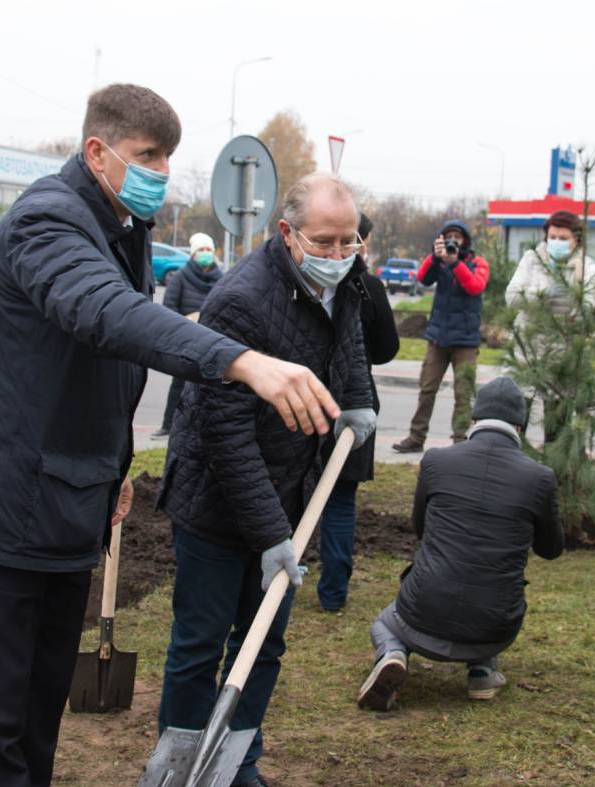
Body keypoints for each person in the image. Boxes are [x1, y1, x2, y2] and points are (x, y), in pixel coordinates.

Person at [0, 84, 340, 787]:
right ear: (97, 151)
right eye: (147, 154)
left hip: (71, 497)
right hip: (10, 504)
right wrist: (240, 360)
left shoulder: (123, 227)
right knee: (2, 712)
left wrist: (112, 465)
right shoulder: (48, 221)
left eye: (167, 156)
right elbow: (106, 314)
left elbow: (99, 367)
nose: (160, 169)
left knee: (41, 704)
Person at [158, 173, 375, 787]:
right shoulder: (239, 301)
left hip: (290, 493)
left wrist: (356, 401)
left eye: (348, 242)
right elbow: (224, 435)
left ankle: (237, 761)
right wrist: (269, 534)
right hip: (216, 503)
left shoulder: (348, 277)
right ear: (287, 234)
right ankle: (182, 765)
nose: (337, 256)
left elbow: (350, 343)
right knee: (200, 647)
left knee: (266, 645)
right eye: (324, 242)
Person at [357, 377, 563, 711]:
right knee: (496, 582)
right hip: (495, 622)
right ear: (520, 427)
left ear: (474, 421)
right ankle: (482, 669)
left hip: (423, 610)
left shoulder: (437, 461)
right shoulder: (539, 477)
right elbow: (551, 550)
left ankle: (393, 653)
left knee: (384, 622)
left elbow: (420, 528)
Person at [318, 212, 400, 612]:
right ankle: (332, 592)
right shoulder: (367, 287)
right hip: (353, 402)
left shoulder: (301, 279)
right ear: (361, 241)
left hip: (311, 401)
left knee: (291, 497)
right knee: (339, 501)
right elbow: (386, 350)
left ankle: (278, 583)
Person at [392, 219, 489, 452]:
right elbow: (423, 278)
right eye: (448, 236)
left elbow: (475, 286)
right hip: (438, 338)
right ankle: (416, 438)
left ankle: (459, 442)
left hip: (465, 340)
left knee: (462, 394)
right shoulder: (439, 261)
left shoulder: (477, 262)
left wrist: (455, 263)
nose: (453, 240)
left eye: (457, 236)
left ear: (465, 240)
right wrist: (435, 258)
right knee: (427, 390)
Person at [505, 210, 595, 444]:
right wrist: (541, 295)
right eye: (552, 237)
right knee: (516, 418)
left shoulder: (585, 264)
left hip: (563, 353)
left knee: (557, 426)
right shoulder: (532, 259)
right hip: (527, 350)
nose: (556, 242)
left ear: (576, 239)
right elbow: (511, 297)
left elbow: (593, 298)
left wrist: (579, 306)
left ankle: (553, 476)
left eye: (563, 238)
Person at [155, 232, 222, 437]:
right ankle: (168, 425)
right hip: (186, 342)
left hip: (213, 343)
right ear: (193, 254)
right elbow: (167, 312)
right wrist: (188, 320)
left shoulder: (221, 279)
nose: (205, 254)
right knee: (180, 386)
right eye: (201, 250)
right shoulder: (180, 278)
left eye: (208, 250)